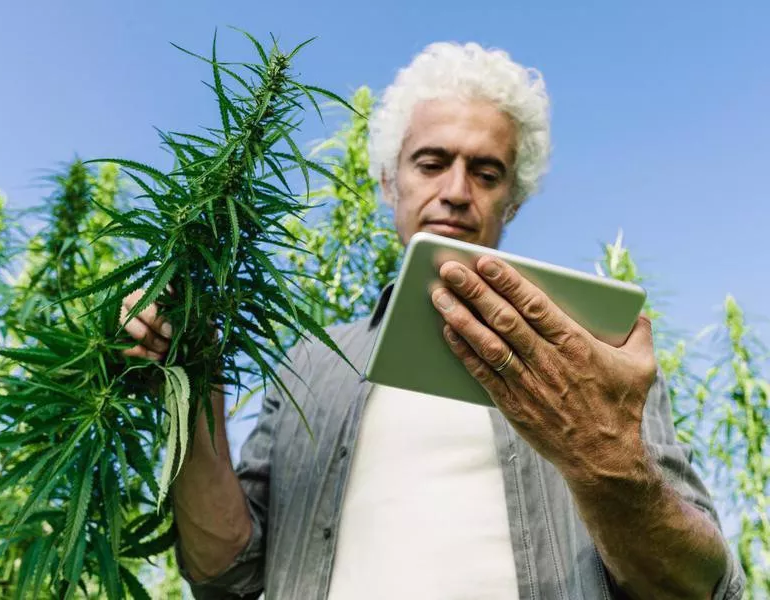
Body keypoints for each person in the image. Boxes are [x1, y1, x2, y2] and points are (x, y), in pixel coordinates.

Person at [122, 42, 745, 599]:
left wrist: (603, 458)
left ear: (513, 201)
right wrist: (192, 385)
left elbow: (698, 587)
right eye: (430, 163)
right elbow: (223, 573)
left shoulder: (593, 359)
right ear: (388, 183)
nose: (455, 191)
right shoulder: (310, 364)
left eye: (486, 172)